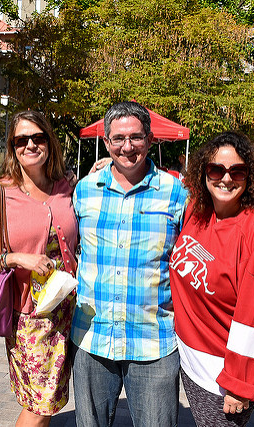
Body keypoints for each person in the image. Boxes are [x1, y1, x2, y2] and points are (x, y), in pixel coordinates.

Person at [71, 101, 187, 427]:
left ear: (150, 140)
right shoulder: (84, 191)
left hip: (154, 341)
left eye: (136, 137)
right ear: (106, 142)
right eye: (118, 138)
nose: (127, 146)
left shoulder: (175, 193)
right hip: (93, 338)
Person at [170, 131, 254, 426]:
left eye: (237, 171)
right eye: (216, 169)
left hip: (223, 374)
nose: (226, 178)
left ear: (250, 176)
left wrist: (242, 384)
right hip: (189, 360)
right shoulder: (197, 212)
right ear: (203, 173)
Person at [0, 111, 78, 427]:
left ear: (49, 142)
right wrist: (19, 258)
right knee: (40, 404)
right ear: (12, 146)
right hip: (30, 316)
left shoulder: (68, 186)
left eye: (38, 137)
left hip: (70, 310)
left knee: (49, 400)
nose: (30, 144)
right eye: (22, 139)